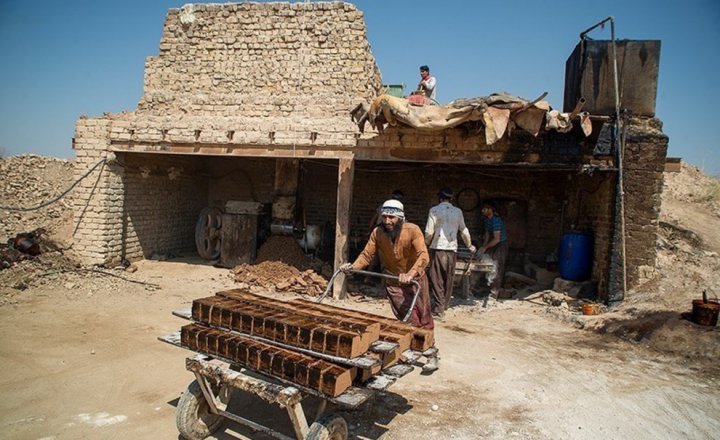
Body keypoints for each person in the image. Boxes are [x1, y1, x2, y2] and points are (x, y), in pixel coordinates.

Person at [341, 199, 439, 372]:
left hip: (416, 280)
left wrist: (410, 274)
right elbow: (366, 255)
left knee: (423, 317)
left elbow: (424, 255)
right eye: (385, 217)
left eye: (392, 218)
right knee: (407, 318)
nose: (387, 221)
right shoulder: (378, 233)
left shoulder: (413, 230)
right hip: (393, 281)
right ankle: (411, 348)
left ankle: (432, 353)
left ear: (400, 218)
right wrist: (353, 268)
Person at [424, 188, 476, 319]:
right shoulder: (458, 212)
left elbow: (429, 232)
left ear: (440, 198)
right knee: (449, 279)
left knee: (437, 279)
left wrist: (426, 243)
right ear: (451, 199)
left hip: (438, 248)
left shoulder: (434, 210)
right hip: (452, 250)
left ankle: (438, 309)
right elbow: (464, 230)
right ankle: (444, 304)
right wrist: (469, 245)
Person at [479, 201, 509, 298]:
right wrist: (483, 246)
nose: (482, 211)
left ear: (491, 210)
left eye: (485, 209)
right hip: (492, 242)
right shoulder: (486, 219)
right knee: (487, 263)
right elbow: (488, 233)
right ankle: (488, 286)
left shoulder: (496, 220)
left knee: (497, 266)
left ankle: (494, 292)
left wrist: (486, 247)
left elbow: (497, 239)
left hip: (500, 244)